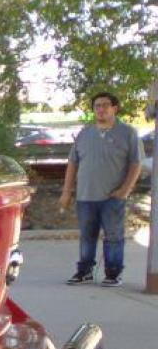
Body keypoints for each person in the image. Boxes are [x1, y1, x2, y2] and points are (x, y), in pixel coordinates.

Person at [60, 91, 144, 286]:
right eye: (97, 106)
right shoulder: (85, 133)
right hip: (85, 196)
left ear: (115, 108)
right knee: (87, 236)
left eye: (105, 105)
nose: (101, 109)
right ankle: (84, 271)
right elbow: (73, 163)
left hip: (112, 197)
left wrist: (124, 190)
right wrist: (67, 191)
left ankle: (113, 273)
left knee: (114, 237)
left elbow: (136, 164)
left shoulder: (128, 133)